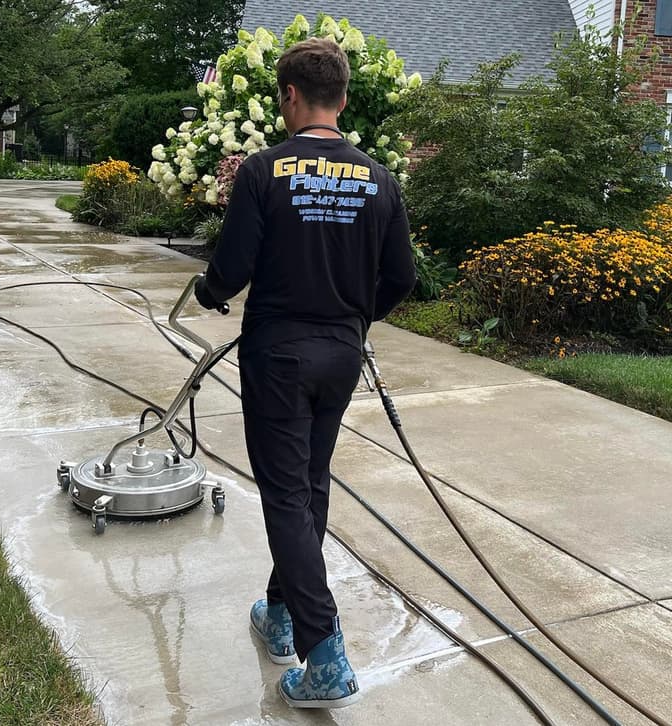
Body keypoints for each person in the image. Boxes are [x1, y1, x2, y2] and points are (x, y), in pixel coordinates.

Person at [193, 37, 416, 709]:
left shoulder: (264, 171)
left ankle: (325, 657)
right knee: (308, 485)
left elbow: (232, 268)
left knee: (288, 494)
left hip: (279, 356)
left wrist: (209, 292)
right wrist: (354, 321)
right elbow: (402, 277)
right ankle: (279, 612)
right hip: (339, 357)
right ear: (343, 99)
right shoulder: (379, 179)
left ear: (290, 96)